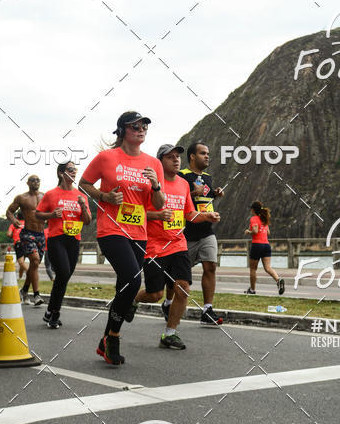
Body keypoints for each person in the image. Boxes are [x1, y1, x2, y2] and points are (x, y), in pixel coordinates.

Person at [79, 111, 165, 366]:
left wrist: (156, 185)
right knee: (132, 278)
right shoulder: (107, 157)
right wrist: (104, 197)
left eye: (144, 126)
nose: (141, 130)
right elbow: (84, 183)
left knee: (124, 288)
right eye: (135, 126)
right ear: (122, 130)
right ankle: (113, 337)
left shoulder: (153, 163)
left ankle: (105, 339)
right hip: (111, 229)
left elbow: (157, 203)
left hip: (138, 232)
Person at [135, 144, 220, 350]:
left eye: (177, 157)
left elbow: (189, 214)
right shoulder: (151, 184)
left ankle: (170, 334)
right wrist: (157, 215)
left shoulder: (183, 184)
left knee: (183, 288)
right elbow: (137, 215)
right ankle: (132, 300)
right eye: (170, 157)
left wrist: (207, 216)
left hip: (178, 244)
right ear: (159, 162)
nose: (176, 160)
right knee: (155, 295)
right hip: (155, 246)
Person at [36, 161, 91, 328]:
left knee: (64, 277)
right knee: (63, 272)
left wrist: (82, 204)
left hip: (73, 239)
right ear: (61, 173)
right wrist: (52, 214)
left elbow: (87, 221)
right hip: (56, 238)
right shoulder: (51, 194)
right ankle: (55, 313)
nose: (74, 172)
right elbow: (38, 214)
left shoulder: (81, 195)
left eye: (75, 170)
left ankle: (50, 311)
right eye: (70, 169)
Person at [179, 141, 224, 325]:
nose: (207, 156)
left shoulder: (208, 177)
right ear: (192, 156)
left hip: (206, 231)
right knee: (179, 276)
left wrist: (215, 193)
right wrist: (191, 192)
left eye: (208, 153)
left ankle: (207, 310)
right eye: (203, 153)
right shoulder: (181, 176)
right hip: (186, 233)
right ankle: (167, 303)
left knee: (210, 267)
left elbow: (204, 198)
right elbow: (176, 200)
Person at [6, 176, 44, 306]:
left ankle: (24, 290)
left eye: (38, 180)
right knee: (35, 259)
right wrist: (14, 220)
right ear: (28, 183)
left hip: (41, 234)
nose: (35, 182)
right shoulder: (22, 198)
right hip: (27, 233)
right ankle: (37, 295)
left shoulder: (45, 197)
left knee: (34, 265)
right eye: (32, 180)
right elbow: (9, 211)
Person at [244, 201, 285, 295]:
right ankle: (278, 280)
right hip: (266, 245)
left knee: (253, 269)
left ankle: (252, 290)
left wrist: (248, 232)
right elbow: (268, 233)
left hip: (257, 245)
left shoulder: (254, 218)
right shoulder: (264, 219)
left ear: (253, 210)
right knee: (267, 268)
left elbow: (255, 230)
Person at [6, 213, 26, 280]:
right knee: (22, 262)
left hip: (19, 243)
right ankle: (20, 277)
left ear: (17, 217)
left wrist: (14, 235)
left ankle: (31, 273)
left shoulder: (14, 224)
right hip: (28, 243)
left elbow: (8, 234)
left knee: (20, 262)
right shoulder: (27, 223)